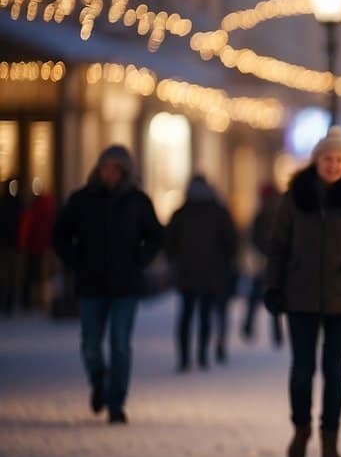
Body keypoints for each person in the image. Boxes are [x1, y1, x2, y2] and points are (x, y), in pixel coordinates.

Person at [264, 127, 341, 457]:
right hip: (299, 295)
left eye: (339, 159)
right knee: (302, 370)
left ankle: (330, 437)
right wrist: (273, 286)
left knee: (333, 370)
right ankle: (301, 429)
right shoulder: (295, 197)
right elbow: (278, 247)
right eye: (328, 159)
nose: (334, 165)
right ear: (316, 161)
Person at [52, 145, 164, 424]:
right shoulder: (82, 200)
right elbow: (61, 234)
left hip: (125, 286)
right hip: (91, 284)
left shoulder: (137, 201)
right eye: (105, 168)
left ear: (125, 172)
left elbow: (156, 235)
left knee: (120, 344)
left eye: (115, 169)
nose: (110, 174)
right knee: (90, 344)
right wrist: (75, 259)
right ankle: (99, 381)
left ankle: (116, 403)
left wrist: (140, 258)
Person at [165, 175, 238, 371]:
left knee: (186, 315)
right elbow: (231, 242)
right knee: (205, 315)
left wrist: (176, 260)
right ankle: (202, 356)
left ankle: (184, 358)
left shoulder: (180, 213)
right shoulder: (218, 212)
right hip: (212, 273)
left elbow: (169, 243)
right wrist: (225, 261)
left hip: (187, 273)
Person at [242, 183, 283, 347]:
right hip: (274, 262)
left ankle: (249, 327)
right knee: (274, 296)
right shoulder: (280, 214)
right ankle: (277, 333)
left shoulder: (261, 215)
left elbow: (253, 237)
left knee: (255, 296)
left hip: (263, 262)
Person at [17, 188, 56, 313]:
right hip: (43, 248)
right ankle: (40, 301)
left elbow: (25, 229)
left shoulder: (33, 211)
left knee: (32, 276)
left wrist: (23, 245)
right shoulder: (49, 213)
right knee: (43, 276)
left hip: (34, 248)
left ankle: (32, 301)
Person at [0, 180, 20, 315]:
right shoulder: (16, 204)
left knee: (8, 276)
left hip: (10, 245)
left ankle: (8, 303)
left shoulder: (6, 204)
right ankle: (9, 303)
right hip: (12, 244)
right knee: (10, 276)